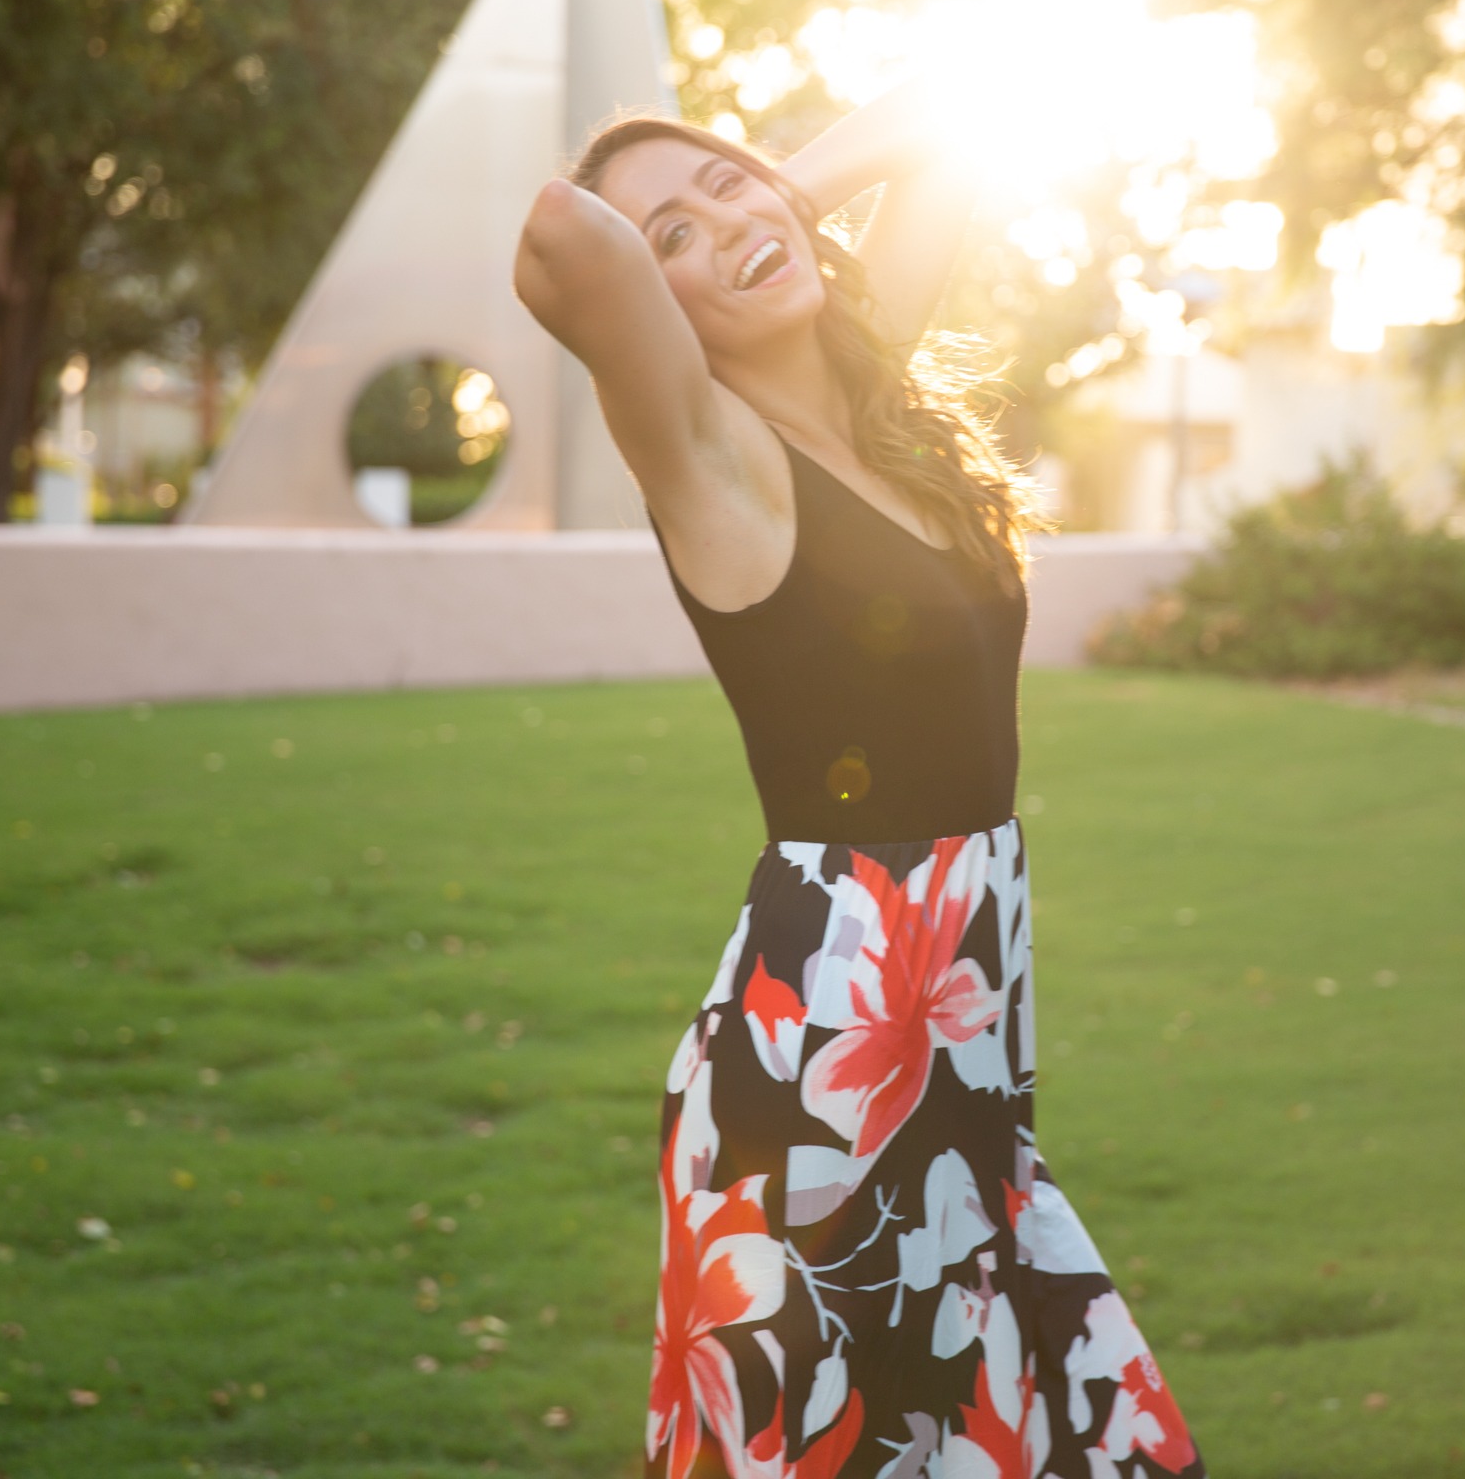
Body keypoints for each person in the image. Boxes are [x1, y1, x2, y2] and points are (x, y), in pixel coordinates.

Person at [515, 82, 1202, 1479]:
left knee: (1054, 1437)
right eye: (675, 238)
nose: (720, 223)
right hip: (826, 1063)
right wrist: (749, 224)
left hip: (960, 1051)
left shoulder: (873, 409)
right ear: (661, 307)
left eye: (727, 185)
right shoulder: (716, 463)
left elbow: (948, 117)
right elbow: (560, 234)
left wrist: (762, 210)